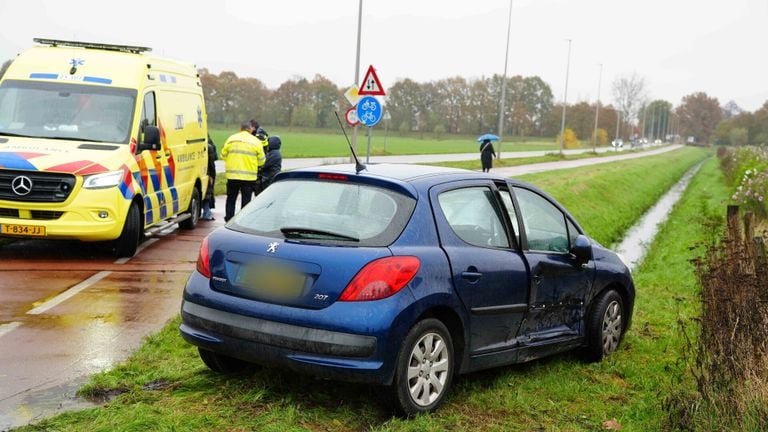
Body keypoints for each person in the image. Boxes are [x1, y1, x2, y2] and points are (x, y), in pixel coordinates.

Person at [221, 121, 266, 222]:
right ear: (250, 129)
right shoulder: (256, 141)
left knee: (231, 199)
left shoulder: (231, 139)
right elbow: (262, 161)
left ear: (240, 129)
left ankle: (229, 219)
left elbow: (223, 155)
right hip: (248, 178)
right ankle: (243, 220)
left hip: (232, 176)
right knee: (246, 201)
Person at [200, 134, 218, 221]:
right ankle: (207, 213)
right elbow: (212, 163)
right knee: (207, 193)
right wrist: (212, 176)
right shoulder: (209, 147)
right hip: (206, 173)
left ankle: (205, 212)